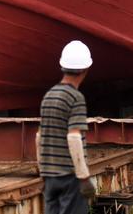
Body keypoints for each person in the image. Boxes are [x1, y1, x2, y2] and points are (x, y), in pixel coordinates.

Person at [36, 40, 95, 214]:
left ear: (62, 66)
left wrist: (42, 172)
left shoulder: (49, 95)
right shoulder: (75, 97)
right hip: (69, 177)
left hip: (50, 176)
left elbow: (39, 137)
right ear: (85, 70)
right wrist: (84, 177)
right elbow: (74, 137)